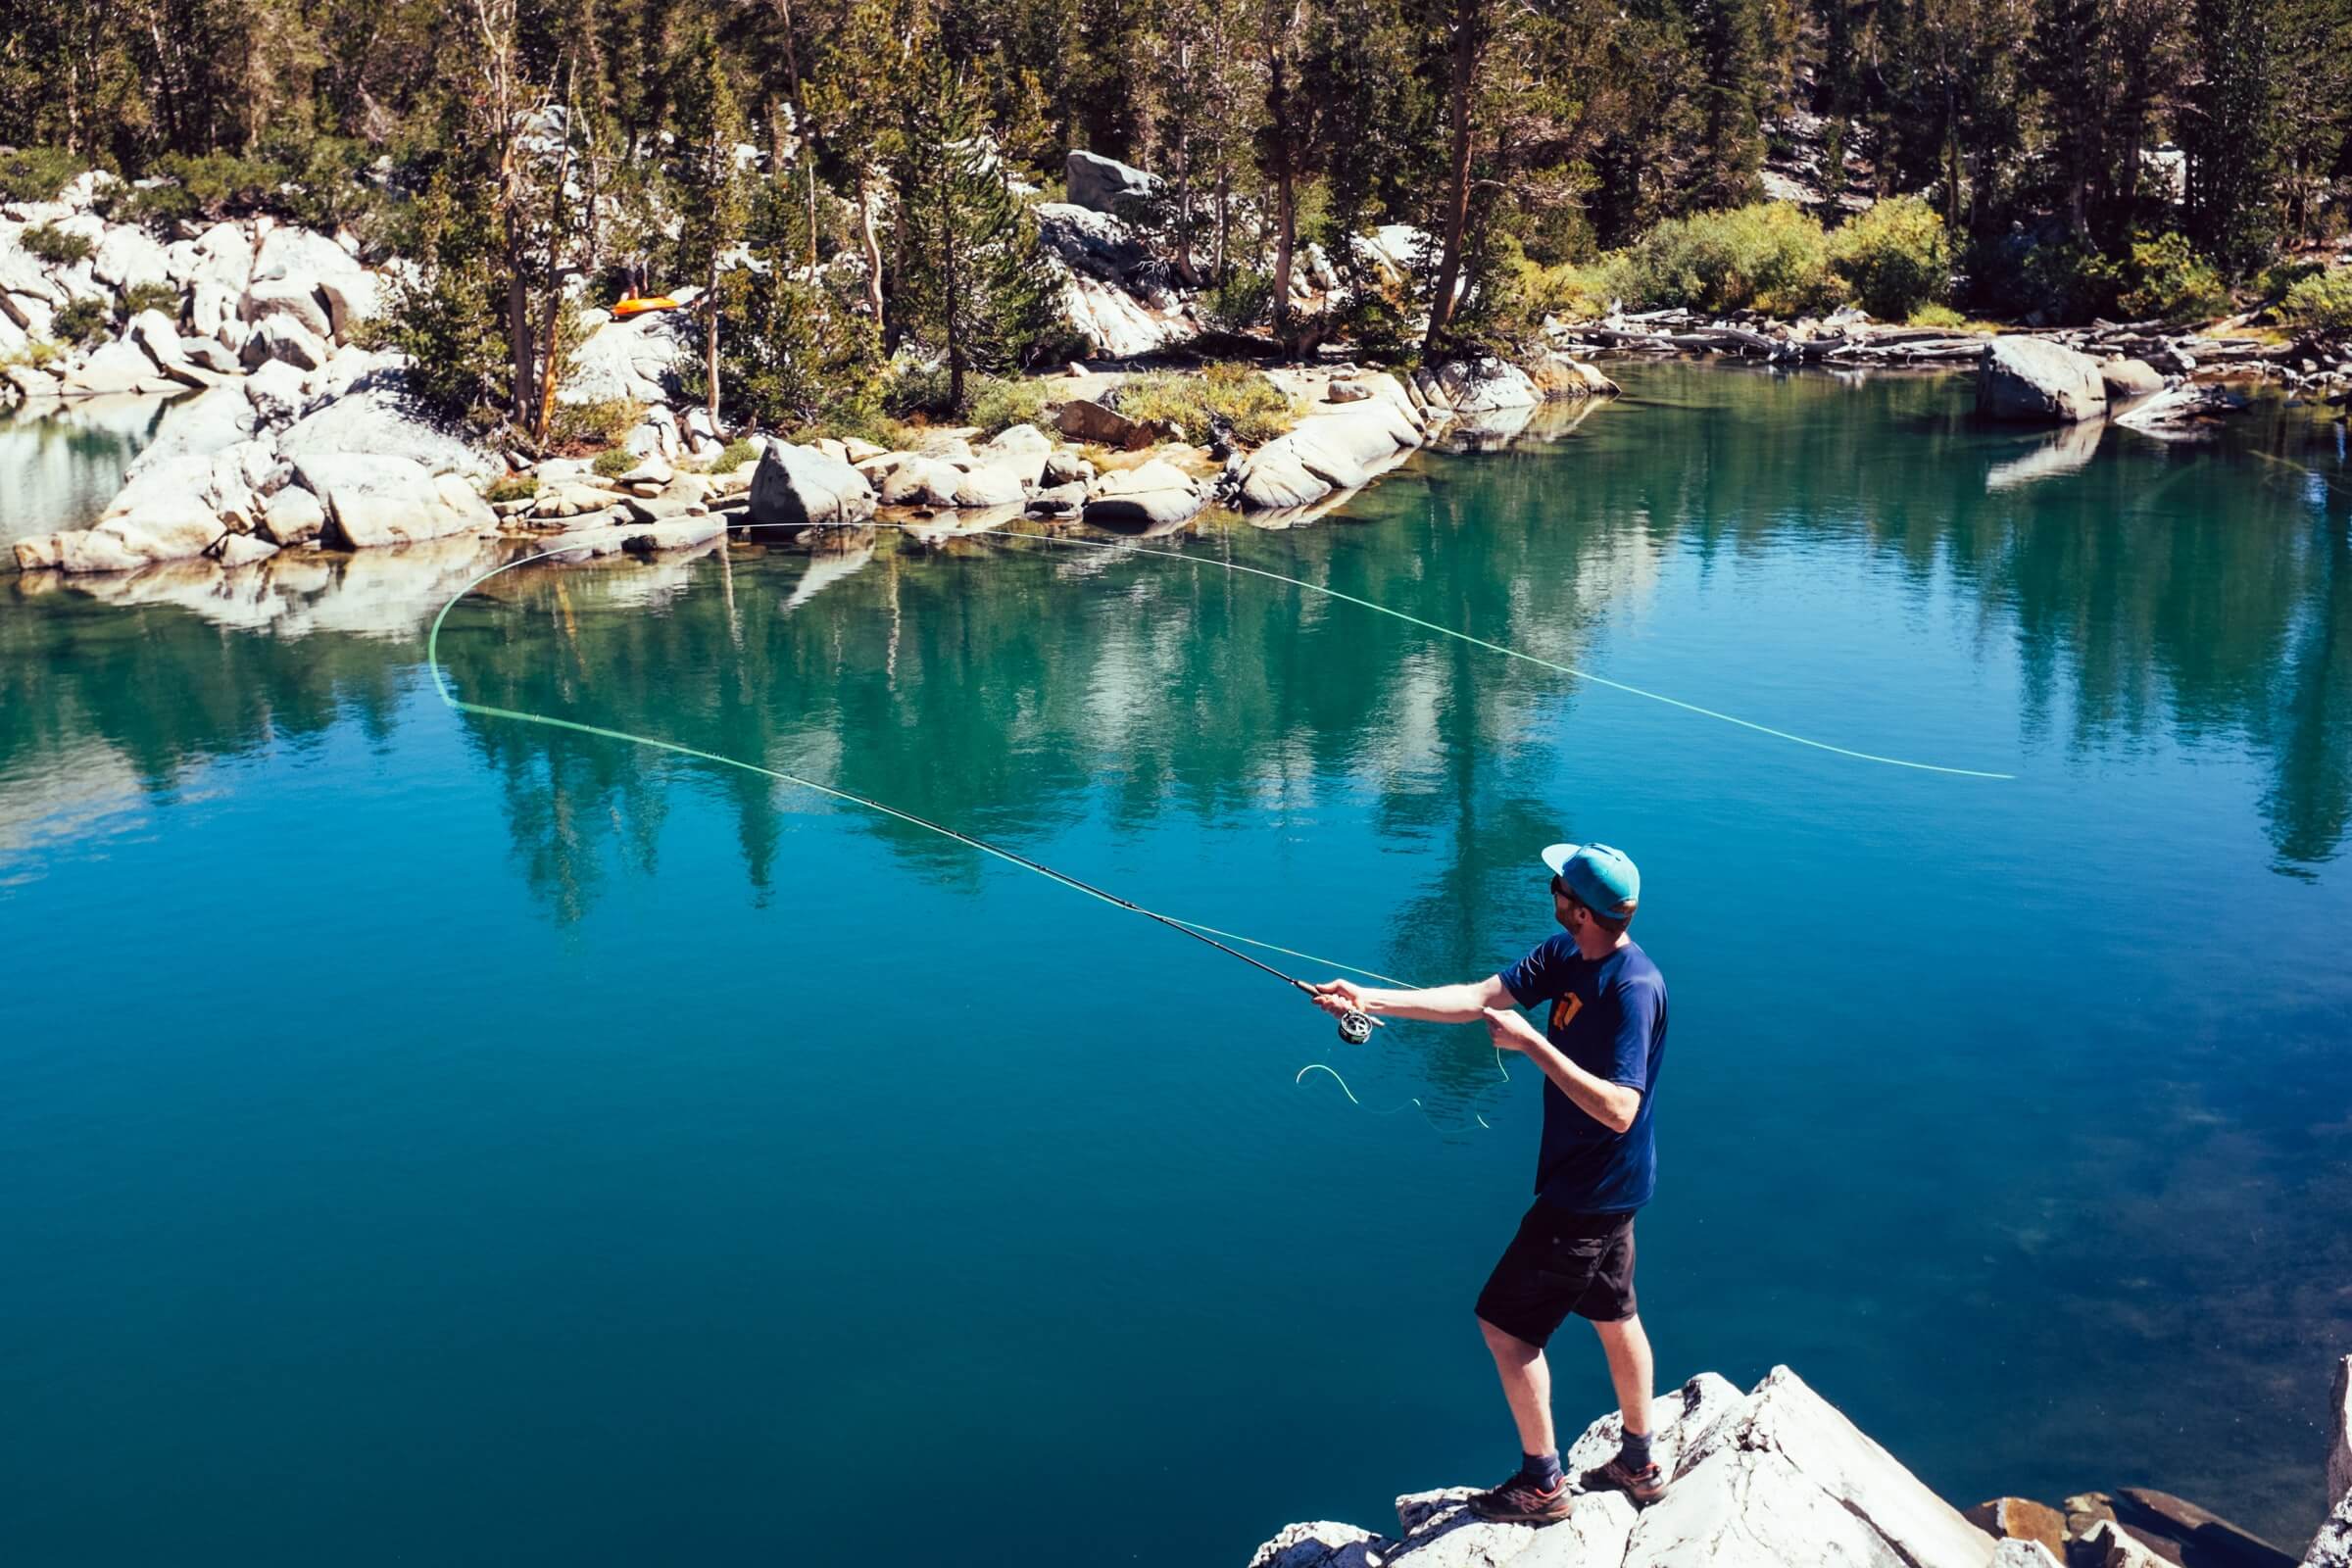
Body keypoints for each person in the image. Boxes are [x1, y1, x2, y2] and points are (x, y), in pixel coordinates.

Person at [1310, 842, 1669, 1525]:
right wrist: (1371, 999)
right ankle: (1639, 1460)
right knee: (1614, 1313)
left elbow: (1621, 1109)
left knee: (1505, 1330)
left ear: (1582, 909)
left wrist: (1535, 1045)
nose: (1551, 888)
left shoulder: (1632, 988)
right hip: (1611, 1187)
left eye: (1558, 884)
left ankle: (1543, 1486)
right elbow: (1477, 999)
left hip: (1589, 1193)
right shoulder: (1568, 955)